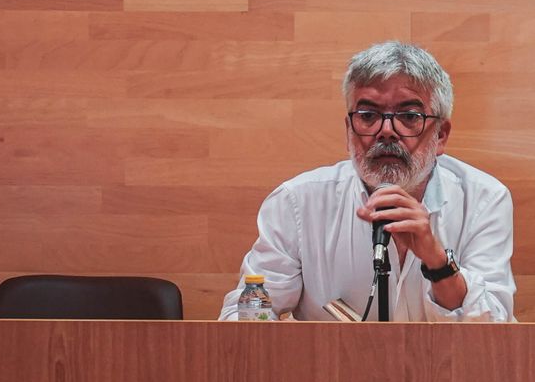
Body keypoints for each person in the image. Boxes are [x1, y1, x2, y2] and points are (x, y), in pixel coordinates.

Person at [220, 41, 515, 321]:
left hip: (446, 372)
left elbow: (495, 329)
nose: (386, 130)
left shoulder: (483, 199)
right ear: (349, 129)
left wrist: (437, 261)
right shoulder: (297, 203)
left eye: (409, 116)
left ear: (440, 135)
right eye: (368, 115)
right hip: (334, 372)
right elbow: (243, 315)